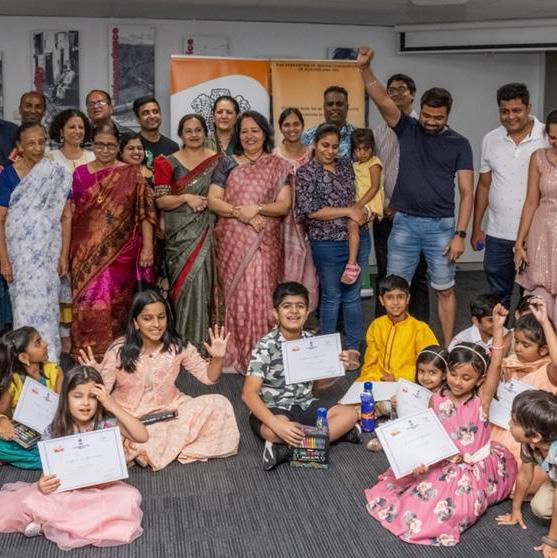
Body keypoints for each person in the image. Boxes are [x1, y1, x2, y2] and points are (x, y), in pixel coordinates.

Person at [365, 304, 516, 545]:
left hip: (471, 465)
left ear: (480, 380)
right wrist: (419, 460)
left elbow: (496, 364)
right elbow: (428, 435)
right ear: (446, 372)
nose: (457, 382)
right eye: (453, 374)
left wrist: (498, 328)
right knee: (418, 499)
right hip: (443, 459)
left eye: (466, 378)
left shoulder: (482, 400)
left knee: (456, 509)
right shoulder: (436, 398)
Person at [357, 46, 474, 346]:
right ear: (419, 110)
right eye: (427, 115)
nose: (431, 121)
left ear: (447, 115)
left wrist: (460, 234)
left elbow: (467, 191)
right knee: (395, 290)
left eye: (438, 117)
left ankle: (447, 347)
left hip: (441, 227)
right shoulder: (407, 128)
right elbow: (381, 99)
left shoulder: (460, 143)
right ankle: (393, 347)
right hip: (405, 224)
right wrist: (365, 69)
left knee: (444, 289)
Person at [78, 289, 240, 471]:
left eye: (161, 317)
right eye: (147, 318)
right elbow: (103, 393)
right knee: (107, 431)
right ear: (135, 322)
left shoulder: (178, 346)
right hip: (130, 418)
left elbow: (208, 377)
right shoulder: (118, 350)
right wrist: (95, 376)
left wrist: (217, 358)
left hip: (171, 410)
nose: (156, 324)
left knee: (220, 404)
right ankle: (156, 445)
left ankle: (145, 449)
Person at [0, 365, 146, 550]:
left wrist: (112, 405)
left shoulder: (107, 422)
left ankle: (50, 526)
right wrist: (43, 484)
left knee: (130, 497)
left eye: (92, 397)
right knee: (35, 499)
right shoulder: (54, 429)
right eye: (77, 396)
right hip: (67, 492)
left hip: (102, 489)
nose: (85, 403)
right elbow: (49, 473)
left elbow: (142, 436)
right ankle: (69, 525)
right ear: (66, 398)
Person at [242, 282, 361, 470]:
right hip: (275, 408)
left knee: (350, 414)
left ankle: (287, 450)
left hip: (305, 404)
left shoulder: (310, 341)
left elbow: (317, 385)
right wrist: (276, 424)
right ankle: (331, 437)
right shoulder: (265, 346)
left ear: (306, 313)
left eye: (300, 306)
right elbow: (248, 393)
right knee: (271, 430)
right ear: (276, 313)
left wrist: (340, 368)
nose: (294, 311)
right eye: (286, 306)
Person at [208, 111, 291, 372]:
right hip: (233, 240)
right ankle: (236, 351)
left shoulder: (277, 165)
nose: (249, 136)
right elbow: (213, 200)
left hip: (265, 240)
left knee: (264, 293)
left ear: (265, 133)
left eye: (255, 130)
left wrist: (257, 208)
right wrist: (241, 213)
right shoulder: (227, 163)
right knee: (236, 295)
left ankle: (264, 354)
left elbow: (283, 205)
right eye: (244, 131)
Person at [70, 123, 156, 360]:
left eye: (110, 145)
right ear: (92, 145)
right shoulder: (79, 174)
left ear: (118, 146)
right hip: (83, 253)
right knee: (87, 302)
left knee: (117, 305)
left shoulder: (131, 174)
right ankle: (86, 355)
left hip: (120, 254)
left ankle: (116, 356)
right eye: (100, 145)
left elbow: (145, 213)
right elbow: (71, 213)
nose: (105, 150)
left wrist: (148, 248)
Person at [296, 123, 370, 357]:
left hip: (357, 238)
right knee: (332, 295)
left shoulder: (346, 165)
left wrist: (366, 212)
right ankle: (326, 352)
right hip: (327, 242)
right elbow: (310, 211)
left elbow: (362, 193)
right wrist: (348, 211)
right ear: (315, 144)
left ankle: (353, 347)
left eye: (335, 146)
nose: (330, 151)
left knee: (352, 296)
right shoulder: (306, 172)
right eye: (325, 145)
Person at [0, 123, 72, 362]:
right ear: (19, 146)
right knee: (23, 310)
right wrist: (4, 261)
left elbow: (66, 216)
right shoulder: (8, 176)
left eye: (42, 142)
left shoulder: (56, 173)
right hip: (20, 260)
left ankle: (51, 365)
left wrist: (63, 255)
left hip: (49, 257)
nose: (38, 147)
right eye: (31, 143)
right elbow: (0, 219)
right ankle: (26, 365)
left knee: (50, 310)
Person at [472, 83, 547, 310]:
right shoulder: (490, 139)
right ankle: (501, 334)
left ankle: (528, 334)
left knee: (533, 298)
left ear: (528, 108)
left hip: (535, 234)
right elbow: (484, 185)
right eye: (504, 111)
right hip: (498, 234)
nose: (510, 116)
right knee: (498, 297)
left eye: (517, 110)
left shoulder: (546, 137)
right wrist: (476, 227)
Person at [154, 114, 220, 351]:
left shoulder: (218, 161)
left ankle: (202, 345)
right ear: (180, 135)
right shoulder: (167, 162)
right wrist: (185, 198)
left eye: (198, 130)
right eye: (188, 131)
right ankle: (181, 345)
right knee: (182, 287)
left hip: (209, 231)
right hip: (179, 238)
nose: (194, 135)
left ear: (205, 133)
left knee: (205, 284)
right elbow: (161, 201)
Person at [372, 73, 430, 321]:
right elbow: (372, 172)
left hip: (415, 215)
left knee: (417, 276)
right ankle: (383, 331)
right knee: (386, 275)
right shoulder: (377, 133)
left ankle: (419, 331)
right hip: (384, 215)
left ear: (413, 94)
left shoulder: (424, 129)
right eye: (391, 90)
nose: (395, 94)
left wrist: (400, 203)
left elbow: (425, 174)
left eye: (401, 89)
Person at [491, 298, 557, 492]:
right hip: (503, 425)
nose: (518, 348)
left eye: (525, 345)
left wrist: (544, 322)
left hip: (530, 438)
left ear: (543, 349)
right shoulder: (510, 363)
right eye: (517, 342)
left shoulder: (549, 371)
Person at [496, 390, 557, 558]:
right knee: (540, 508)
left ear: (536, 436)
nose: (509, 423)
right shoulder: (530, 443)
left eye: (515, 422)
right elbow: (525, 474)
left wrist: (552, 541)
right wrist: (515, 510)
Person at [514, 110, 557, 324]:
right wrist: (519, 243)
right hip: (542, 234)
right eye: (553, 137)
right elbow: (531, 202)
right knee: (540, 293)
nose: (556, 142)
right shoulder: (538, 157)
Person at [274, 107, 318, 310]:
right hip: (282, 223)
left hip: (310, 221)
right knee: (285, 269)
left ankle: (306, 316)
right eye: (286, 125)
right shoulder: (273, 156)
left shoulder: (313, 153)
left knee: (310, 271)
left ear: (302, 126)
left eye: (296, 124)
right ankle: (286, 315)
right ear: (280, 128)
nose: (292, 129)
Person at [0, 326, 62, 469]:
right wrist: (3, 420)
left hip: (53, 431)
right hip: (25, 437)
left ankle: (45, 459)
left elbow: (62, 405)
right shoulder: (14, 380)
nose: (45, 344)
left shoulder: (55, 371)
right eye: (38, 343)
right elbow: (1, 412)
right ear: (24, 357)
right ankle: (49, 460)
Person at [357, 275, 437, 384]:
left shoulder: (420, 329)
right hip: (376, 379)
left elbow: (431, 363)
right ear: (381, 300)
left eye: (400, 297)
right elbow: (369, 361)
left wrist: (397, 377)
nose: (395, 302)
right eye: (389, 297)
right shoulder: (376, 325)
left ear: (408, 299)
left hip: (407, 382)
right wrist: (366, 381)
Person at [341, 127, 384, 284]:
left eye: (366, 149)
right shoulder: (356, 164)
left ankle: (352, 263)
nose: (362, 153)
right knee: (351, 225)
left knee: (352, 224)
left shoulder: (374, 163)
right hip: (361, 203)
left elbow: (374, 187)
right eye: (358, 149)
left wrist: (357, 206)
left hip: (371, 203)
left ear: (372, 147)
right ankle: (352, 261)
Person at [301, 86, 356, 157]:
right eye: (330, 104)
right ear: (324, 107)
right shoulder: (308, 136)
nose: (334, 108)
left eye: (339, 104)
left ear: (347, 107)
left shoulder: (359, 136)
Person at [133, 95, 179, 170]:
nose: (152, 116)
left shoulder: (173, 147)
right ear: (137, 118)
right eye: (145, 113)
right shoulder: (131, 146)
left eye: (155, 112)